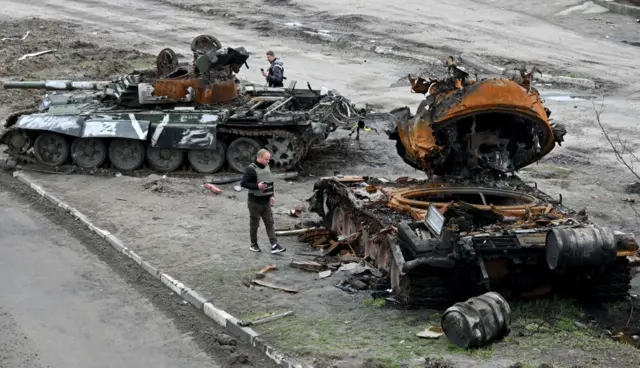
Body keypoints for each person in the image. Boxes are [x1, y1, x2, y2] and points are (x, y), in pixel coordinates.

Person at [240, 149, 286, 253]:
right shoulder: (250, 169)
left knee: (269, 223)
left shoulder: (267, 167)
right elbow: (243, 183)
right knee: (254, 224)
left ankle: (274, 245)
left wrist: (271, 195)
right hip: (254, 202)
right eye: (266, 159)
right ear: (259, 157)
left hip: (266, 201)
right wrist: (257, 186)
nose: (268, 161)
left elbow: (270, 182)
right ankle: (254, 244)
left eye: (269, 159)